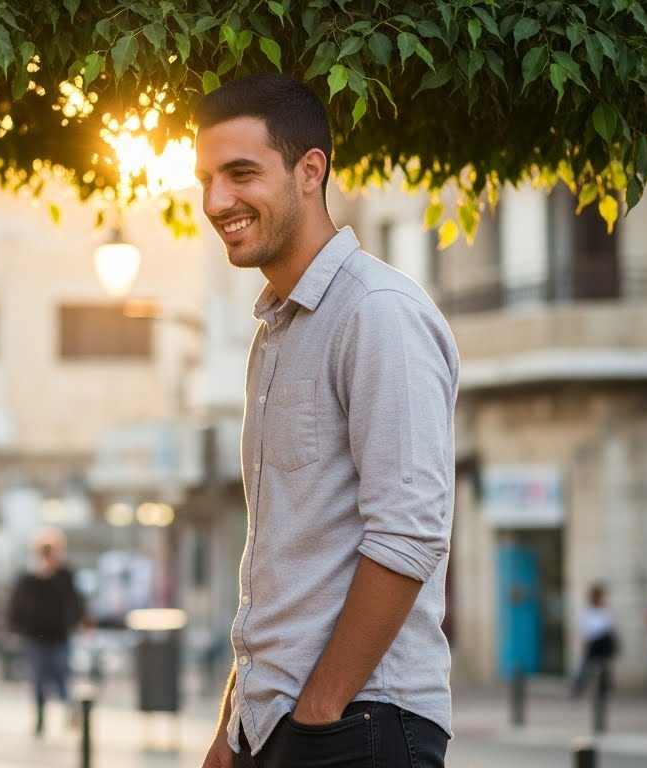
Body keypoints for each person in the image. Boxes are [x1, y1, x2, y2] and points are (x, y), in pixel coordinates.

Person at [194, 73, 459, 768]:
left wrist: (320, 710)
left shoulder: (376, 312)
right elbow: (284, 562)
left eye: (240, 173)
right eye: (207, 178)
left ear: (310, 170)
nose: (216, 201)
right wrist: (233, 726)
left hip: (359, 724)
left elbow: (408, 531)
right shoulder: (276, 330)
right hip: (278, 724)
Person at [7, 527, 86, 737]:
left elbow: (75, 601)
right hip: (35, 636)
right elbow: (18, 604)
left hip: (59, 634)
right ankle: (40, 717)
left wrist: (80, 622)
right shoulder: (29, 577)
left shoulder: (64, 575)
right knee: (38, 678)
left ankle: (70, 712)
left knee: (62, 674)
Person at [570, 581, 618, 698]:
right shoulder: (587, 612)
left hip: (603, 643)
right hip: (593, 643)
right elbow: (582, 628)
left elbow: (610, 627)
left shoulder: (605, 612)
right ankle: (577, 688)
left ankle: (603, 690)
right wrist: (583, 641)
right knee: (585, 667)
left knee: (604, 667)